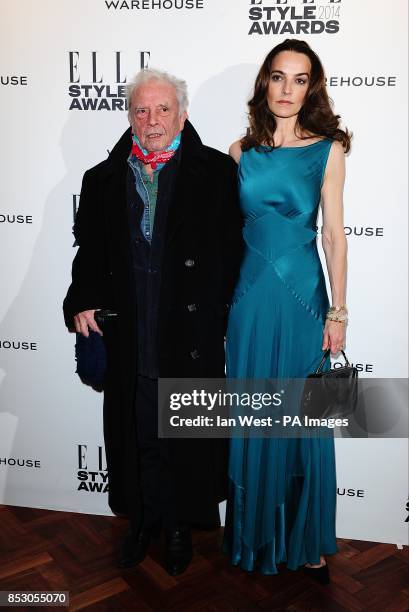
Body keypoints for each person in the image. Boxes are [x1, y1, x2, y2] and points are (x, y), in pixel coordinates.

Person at [63, 68, 243, 576]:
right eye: (142, 110)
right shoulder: (100, 180)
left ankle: (181, 526)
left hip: (188, 334)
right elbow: (89, 256)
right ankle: (142, 522)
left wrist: (218, 314)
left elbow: (232, 252)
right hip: (131, 334)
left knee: (181, 436)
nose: (152, 119)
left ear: (182, 114)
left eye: (164, 109)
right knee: (140, 434)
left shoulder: (216, 173)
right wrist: (82, 297)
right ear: (129, 117)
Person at [223, 39, 351, 584]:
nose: (287, 89)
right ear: (264, 83)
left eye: (299, 79)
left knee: (303, 422)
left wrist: (338, 312)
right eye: (279, 77)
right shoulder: (238, 151)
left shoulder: (329, 149)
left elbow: (336, 236)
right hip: (249, 300)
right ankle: (257, 538)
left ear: (311, 87)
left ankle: (305, 540)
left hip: (303, 300)